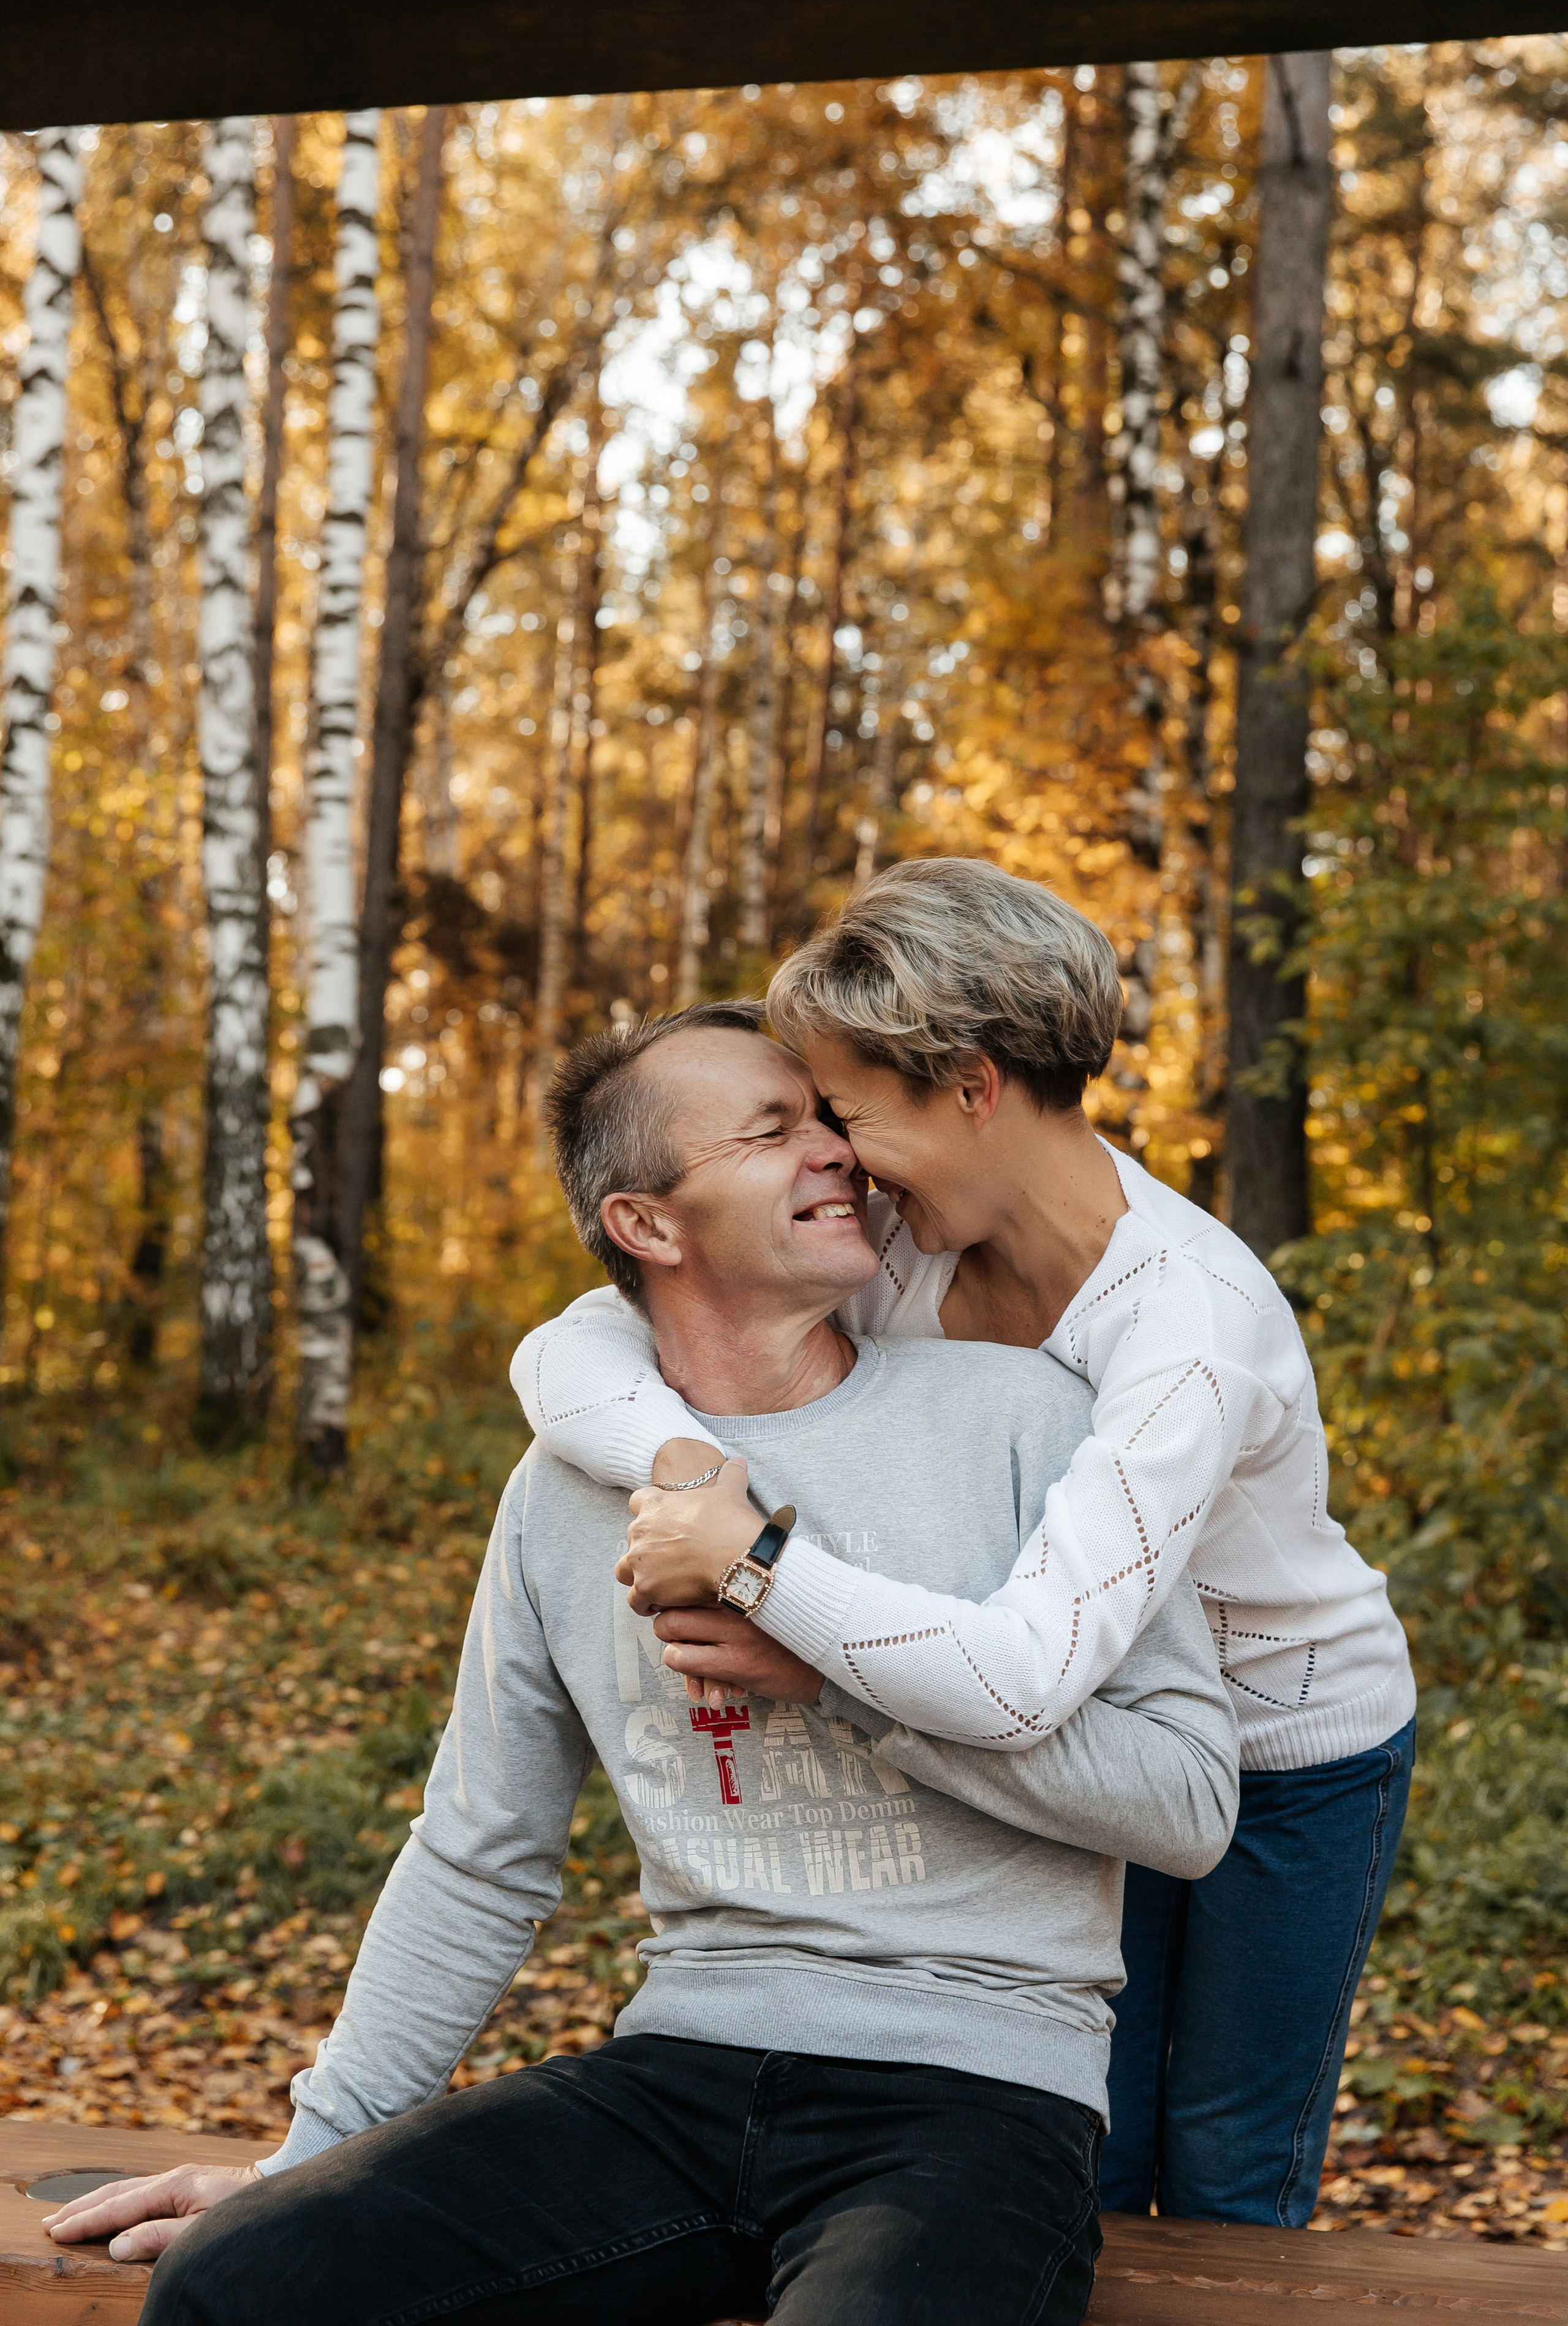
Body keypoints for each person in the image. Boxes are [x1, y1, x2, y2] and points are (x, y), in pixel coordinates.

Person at [48, 1003, 1237, 2326]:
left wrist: (835, 1671)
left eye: (827, 1121)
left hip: (971, 2097)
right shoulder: (565, 1490)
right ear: (649, 1226)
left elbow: (1185, 1805)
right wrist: (307, 2159)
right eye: (773, 1129)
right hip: (676, 2071)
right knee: (240, 2287)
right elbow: (477, 1850)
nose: (835, 1151)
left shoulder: (1022, 1418)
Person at [514, 859, 1418, 2230]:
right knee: (1085, 2155)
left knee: (1227, 2168)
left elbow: (1020, 1673)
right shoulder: (909, 1239)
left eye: (850, 1114)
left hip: (1276, 1753)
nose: (834, 1154)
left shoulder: (1184, 1328)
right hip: (1069, 1748)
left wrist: (754, 1560)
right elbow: (574, 1346)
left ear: (969, 1087)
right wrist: (693, 1477)